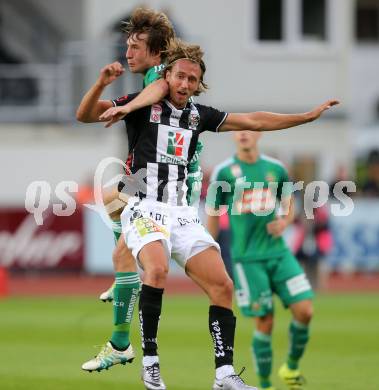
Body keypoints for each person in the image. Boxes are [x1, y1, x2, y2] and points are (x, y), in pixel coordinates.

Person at [99, 39, 339, 389]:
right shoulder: (142, 105)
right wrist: (108, 93)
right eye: (179, 77)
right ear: (166, 77)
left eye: (192, 80)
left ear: (199, 84)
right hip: (143, 204)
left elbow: (254, 119)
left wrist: (306, 116)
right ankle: (150, 363)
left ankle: (224, 375)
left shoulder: (200, 115)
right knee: (157, 268)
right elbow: (88, 113)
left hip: (181, 211)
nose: (184, 84)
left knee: (223, 286)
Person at [77, 7, 203, 375]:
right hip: (149, 173)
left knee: (120, 254)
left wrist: (128, 105)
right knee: (107, 199)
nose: (127, 53)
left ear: (156, 52)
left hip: (170, 180)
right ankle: (123, 295)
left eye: (134, 47)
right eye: (126, 46)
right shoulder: (153, 77)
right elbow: (83, 114)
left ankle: (120, 342)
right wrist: (105, 88)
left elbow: (162, 86)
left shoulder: (162, 74)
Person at [206, 131, 316, 390]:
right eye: (238, 129)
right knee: (264, 321)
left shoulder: (275, 169)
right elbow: (212, 214)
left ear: (260, 132)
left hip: (279, 253)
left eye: (249, 128)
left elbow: (290, 204)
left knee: (305, 311)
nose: (243, 133)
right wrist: (208, 249)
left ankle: (290, 366)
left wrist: (285, 221)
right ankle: (265, 385)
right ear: (233, 135)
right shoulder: (223, 172)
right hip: (248, 259)